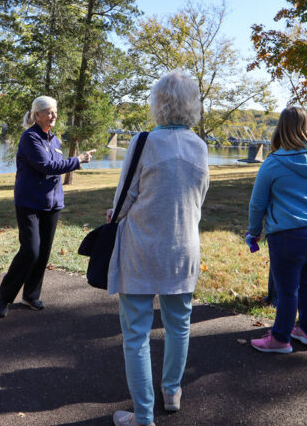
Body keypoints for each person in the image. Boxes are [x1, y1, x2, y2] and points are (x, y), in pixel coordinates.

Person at [108, 72, 209, 426]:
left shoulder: (144, 141)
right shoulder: (200, 146)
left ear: (159, 103)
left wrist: (114, 214)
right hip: (183, 244)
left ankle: (143, 416)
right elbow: (198, 197)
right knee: (179, 324)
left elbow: (124, 197)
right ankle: (172, 391)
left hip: (142, 245)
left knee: (136, 333)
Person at [0, 96, 95, 318]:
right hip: (29, 203)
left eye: (55, 111)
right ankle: (4, 296)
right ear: (37, 115)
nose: (53, 116)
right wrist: (78, 160)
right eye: (49, 112)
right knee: (31, 250)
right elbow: (47, 166)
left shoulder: (54, 140)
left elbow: (55, 166)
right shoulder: (30, 138)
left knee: (43, 252)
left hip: (52, 204)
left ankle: (30, 295)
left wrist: (72, 162)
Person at [247, 106, 307, 354]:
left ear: (281, 128)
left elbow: (257, 204)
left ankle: (280, 338)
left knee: (286, 290)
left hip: (288, 234)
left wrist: (254, 231)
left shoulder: (273, 162)